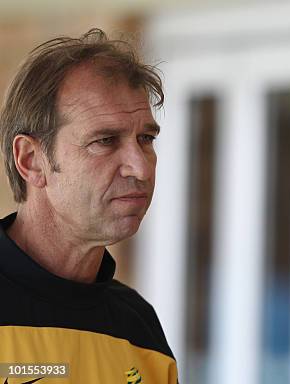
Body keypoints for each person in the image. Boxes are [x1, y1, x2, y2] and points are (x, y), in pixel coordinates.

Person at [0, 29, 177, 382]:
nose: (140, 168)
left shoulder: (139, 330)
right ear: (32, 160)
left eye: (146, 139)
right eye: (105, 141)